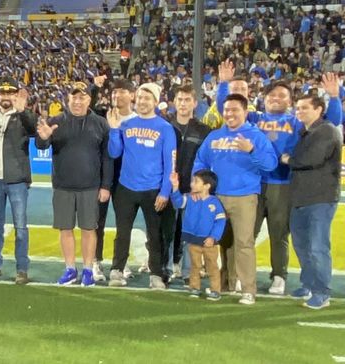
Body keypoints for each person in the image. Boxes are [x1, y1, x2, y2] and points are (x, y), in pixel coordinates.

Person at [193, 93, 277, 305]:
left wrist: (252, 150)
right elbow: (200, 160)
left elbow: (271, 164)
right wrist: (200, 185)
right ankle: (221, 283)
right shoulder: (214, 136)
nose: (230, 114)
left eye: (235, 110)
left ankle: (248, 290)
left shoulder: (255, 136)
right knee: (216, 242)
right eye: (227, 110)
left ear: (245, 112)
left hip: (245, 197)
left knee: (244, 243)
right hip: (217, 197)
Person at [38, 80, 112, 286]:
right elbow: (42, 144)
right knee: (66, 229)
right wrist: (43, 139)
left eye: (82, 97)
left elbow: (107, 157)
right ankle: (70, 269)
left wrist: (106, 185)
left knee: (90, 229)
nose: (78, 101)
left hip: (90, 187)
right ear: (68, 98)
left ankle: (88, 270)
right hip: (63, 186)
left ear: (89, 99)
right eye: (74, 97)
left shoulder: (100, 123)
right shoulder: (56, 120)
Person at [105, 82, 176, 289]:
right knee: (122, 232)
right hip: (126, 188)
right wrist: (114, 130)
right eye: (141, 97)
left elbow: (169, 162)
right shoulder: (126, 124)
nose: (143, 102)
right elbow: (114, 152)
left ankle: (156, 274)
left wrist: (165, 191)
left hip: (153, 190)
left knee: (155, 235)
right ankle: (117, 270)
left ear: (155, 101)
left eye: (148, 98)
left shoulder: (165, 128)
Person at [286, 90, 342, 310]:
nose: (299, 111)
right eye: (298, 108)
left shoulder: (326, 131)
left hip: (320, 197)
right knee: (301, 245)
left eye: (304, 108)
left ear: (318, 110)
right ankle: (308, 284)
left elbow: (311, 159)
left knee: (318, 246)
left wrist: (289, 159)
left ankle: (321, 291)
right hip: (301, 196)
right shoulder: (306, 132)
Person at [0, 79, 38, 285]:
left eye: (10, 93)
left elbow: (36, 132)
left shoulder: (21, 117)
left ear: (16, 95)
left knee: (21, 227)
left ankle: (22, 269)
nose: (5, 97)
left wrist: (24, 111)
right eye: (1, 93)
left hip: (17, 181)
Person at [163, 84, 210, 281]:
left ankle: (188, 270)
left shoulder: (203, 130)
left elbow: (207, 160)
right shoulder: (165, 125)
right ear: (174, 102)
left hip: (193, 190)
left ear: (194, 103)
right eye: (180, 100)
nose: (183, 104)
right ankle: (164, 267)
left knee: (190, 230)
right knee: (166, 230)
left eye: (187, 100)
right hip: (167, 187)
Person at [94, 78, 135, 280]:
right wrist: (96, 88)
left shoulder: (137, 120)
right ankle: (95, 262)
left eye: (121, 91)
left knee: (123, 224)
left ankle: (121, 263)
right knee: (97, 222)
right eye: (114, 92)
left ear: (132, 95)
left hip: (125, 179)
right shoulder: (103, 117)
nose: (116, 95)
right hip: (102, 177)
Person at [169, 168, 226, 300]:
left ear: (207, 186)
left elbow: (220, 221)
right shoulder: (189, 198)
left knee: (212, 266)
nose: (192, 184)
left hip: (209, 242)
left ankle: (215, 290)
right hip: (193, 239)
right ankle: (194, 287)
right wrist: (175, 187)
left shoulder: (214, 203)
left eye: (196, 181)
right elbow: (177, 202)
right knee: (194, 265)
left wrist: (213, 237)